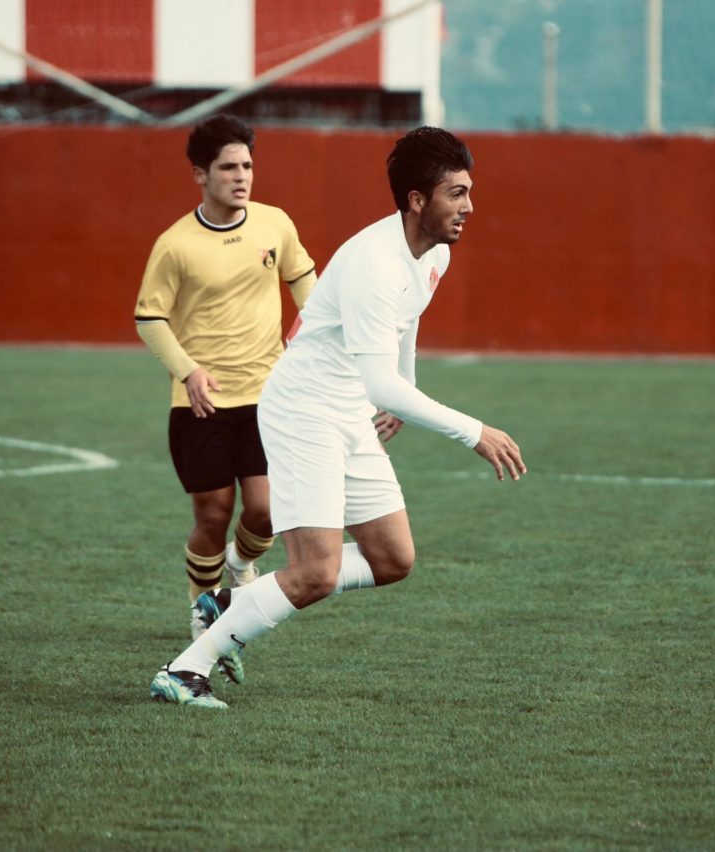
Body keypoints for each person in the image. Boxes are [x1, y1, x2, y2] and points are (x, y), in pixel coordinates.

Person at [150, 126, 526, 708]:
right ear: (416, 200)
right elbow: (380, 382)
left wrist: (404, 390)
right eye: (456, 193)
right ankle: (185, 670)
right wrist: (474, 432)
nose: (469, 206)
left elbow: (406, 325)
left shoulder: (435, 253)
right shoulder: (375, 263)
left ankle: (230, 603)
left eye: (469, 191)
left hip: (347, 411)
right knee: (314, 573)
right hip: (304, 412)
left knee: (393, 558)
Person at [135, 113, 317, 683]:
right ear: (200, 174)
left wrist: (313, 333)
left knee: (266, 510)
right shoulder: (175, 245)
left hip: (268, 396)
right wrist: (187, 371)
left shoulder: (274, 223)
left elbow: (304, 281)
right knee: (213, 514)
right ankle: (202, 609)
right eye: (228, 168)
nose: (242, 177)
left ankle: (241, 564)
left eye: (247, 166)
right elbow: (149, 317)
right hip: (202, 404)